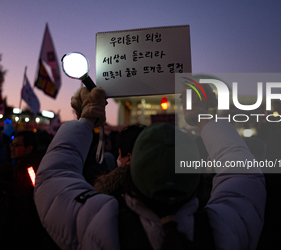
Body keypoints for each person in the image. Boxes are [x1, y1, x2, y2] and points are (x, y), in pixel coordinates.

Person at [34, 86, 266, 249]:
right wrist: (205, 118)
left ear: (130, 171)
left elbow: (54, 175)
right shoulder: (225, 228)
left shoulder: (98, 224)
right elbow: (240, 168)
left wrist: (86, 119)